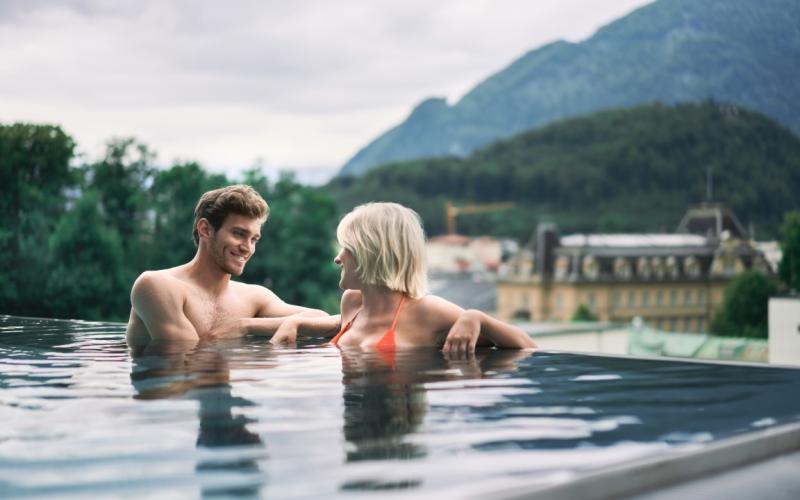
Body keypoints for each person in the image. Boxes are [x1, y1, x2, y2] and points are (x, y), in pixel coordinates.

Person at [272, 202, 536, 353]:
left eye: (347, 248)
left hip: (396, 426)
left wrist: (477, 318)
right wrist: (296, 323)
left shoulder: (427, 311)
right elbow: (334, 323)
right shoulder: (352, 302)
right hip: (355, 427)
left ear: (373, 252)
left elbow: (528, 347)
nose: (337, 257)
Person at [126, 184, 331, 345]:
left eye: (254, 239)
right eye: (239, 234)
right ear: (205, 229)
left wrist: (246, 326)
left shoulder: (253, 298)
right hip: (170, 396)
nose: (247, 248)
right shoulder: (157, 285)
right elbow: (188, 363)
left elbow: (324, 320)